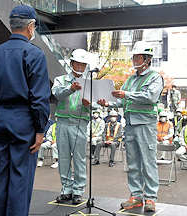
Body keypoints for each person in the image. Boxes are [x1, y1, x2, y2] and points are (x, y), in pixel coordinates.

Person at [0, 5, 51, 215]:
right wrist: (41, 130)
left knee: (2, 175)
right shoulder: (34, 53)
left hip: (1, 119)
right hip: (24, 121)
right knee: (21, 178)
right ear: (31, 26)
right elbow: (39, 98)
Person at [98, 41, 164, 212]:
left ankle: (150, 197)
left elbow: (150, 96)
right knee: (133, 162)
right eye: (134, 57)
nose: (134, 60)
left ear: (148, 59)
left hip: (145, 124)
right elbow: (121, 101)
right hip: (131, 125)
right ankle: (136, 196)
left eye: (138, 57)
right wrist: (108, 103)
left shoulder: (155, 77)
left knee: (148, 162)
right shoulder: (131, 79)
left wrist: (126, 94)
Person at [52, 48, 93, 205]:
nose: (80, 67)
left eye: (83, 65)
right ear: (71, 63)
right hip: (62, 122)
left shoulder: (89, 83)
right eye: (78, 64)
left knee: (79, 158)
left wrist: (91, 104)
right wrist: (71, 88)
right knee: (63, 157)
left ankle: (78, 191)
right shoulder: (60, 80)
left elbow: (96, 104)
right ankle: (66, 189)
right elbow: (57, 94)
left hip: (80, 124)